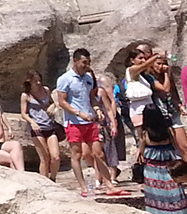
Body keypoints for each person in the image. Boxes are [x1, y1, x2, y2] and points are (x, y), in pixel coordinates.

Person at [55, 48, 117, 197]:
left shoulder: (88, 78)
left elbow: (92, 97)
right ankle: (83, 187)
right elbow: (62, 101)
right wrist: (78, 113)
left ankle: (109, 184)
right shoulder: (65, 79)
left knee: (98, 152)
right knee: (77, 153)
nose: (86, 65)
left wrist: (97, 109)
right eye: (84, 62)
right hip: (74, 121)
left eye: (88, 63)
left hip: (89, 120)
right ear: (75, 61)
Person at [139, 105, 187, 214]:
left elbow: (142, 150)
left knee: (156, 197)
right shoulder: (168, 131)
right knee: (174, 194)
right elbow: (175, 146)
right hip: (168, 167)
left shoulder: (145, 132)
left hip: (152, 170)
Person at [21, 72, 63, 179]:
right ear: (29, 82)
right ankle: (44, 181)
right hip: (37, 128)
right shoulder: (26, 95)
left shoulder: (46, 90)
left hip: (49, 126)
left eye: (39, 80)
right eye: (35, 81)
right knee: (44, 158)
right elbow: (23, 113)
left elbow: (52, 102)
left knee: (56, 157)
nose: (38, 83)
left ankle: (53, 178)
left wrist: (52, 106)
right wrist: (32, 122)